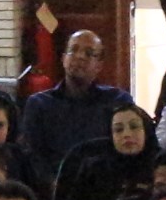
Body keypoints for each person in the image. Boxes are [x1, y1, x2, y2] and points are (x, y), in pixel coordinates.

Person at [20, 29, 126, 176]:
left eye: (89, 53)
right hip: (52, 185)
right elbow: (32, 157)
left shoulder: (117, 101)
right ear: (64, 59)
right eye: (73, 50)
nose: (80, 57)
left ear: (99, 65)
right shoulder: (39, 104)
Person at [54, 104, 159, 200]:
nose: (126, 134)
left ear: (147, 131)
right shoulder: (94, 168)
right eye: (118, 130)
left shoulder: (161, 167)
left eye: (134, 127)